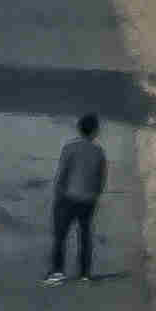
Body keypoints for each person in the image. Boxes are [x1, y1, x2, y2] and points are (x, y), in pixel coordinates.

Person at [46, 112, 106, 284]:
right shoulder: (99, 152)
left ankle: (58, 272)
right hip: (88, 199)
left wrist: (58, 194)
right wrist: (95, 195)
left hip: (67, 198)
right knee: (85, 236)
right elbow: (101, 178)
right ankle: (85, 274)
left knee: (60, 236)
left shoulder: (69, 148)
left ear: (79, 129)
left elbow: (62, 174)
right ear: (95, 131)